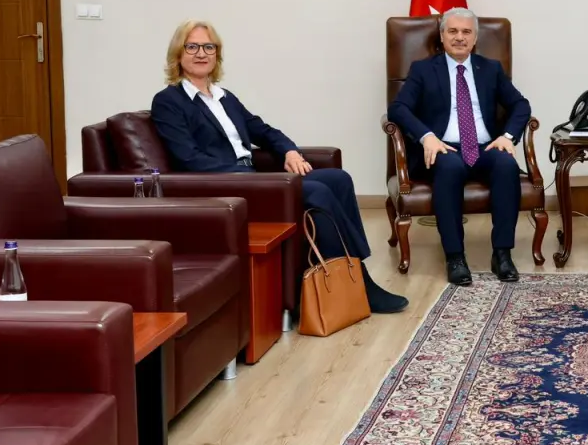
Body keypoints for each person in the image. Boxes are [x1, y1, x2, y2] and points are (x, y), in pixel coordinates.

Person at [151, 20, 408, 314]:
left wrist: (289, 151)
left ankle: (355, 271)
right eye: (192, 47)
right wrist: (248, 176)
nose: (201, 53)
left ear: (216, 54)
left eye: (208, 47)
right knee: (317, 191)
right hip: (226, 189)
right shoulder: (169, 102)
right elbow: (190, 159)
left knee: (338, 179)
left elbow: (263, 130)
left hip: (252, 179)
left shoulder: (224, 98)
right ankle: (359, 284)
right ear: (178, 53)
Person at [386, 7, 531, 286]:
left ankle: (502, 254)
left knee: (505, 163)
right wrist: (427, 136)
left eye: (466, 32)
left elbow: (520, 105)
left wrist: (507, 136)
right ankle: (455, 257)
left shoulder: (490, 69)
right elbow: (398, 108)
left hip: (484, 147)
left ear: (475, 38)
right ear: (441, 36)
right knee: (450, 167)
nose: (459, 37)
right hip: (444, 148)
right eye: (452, 31)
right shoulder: (423, 69)